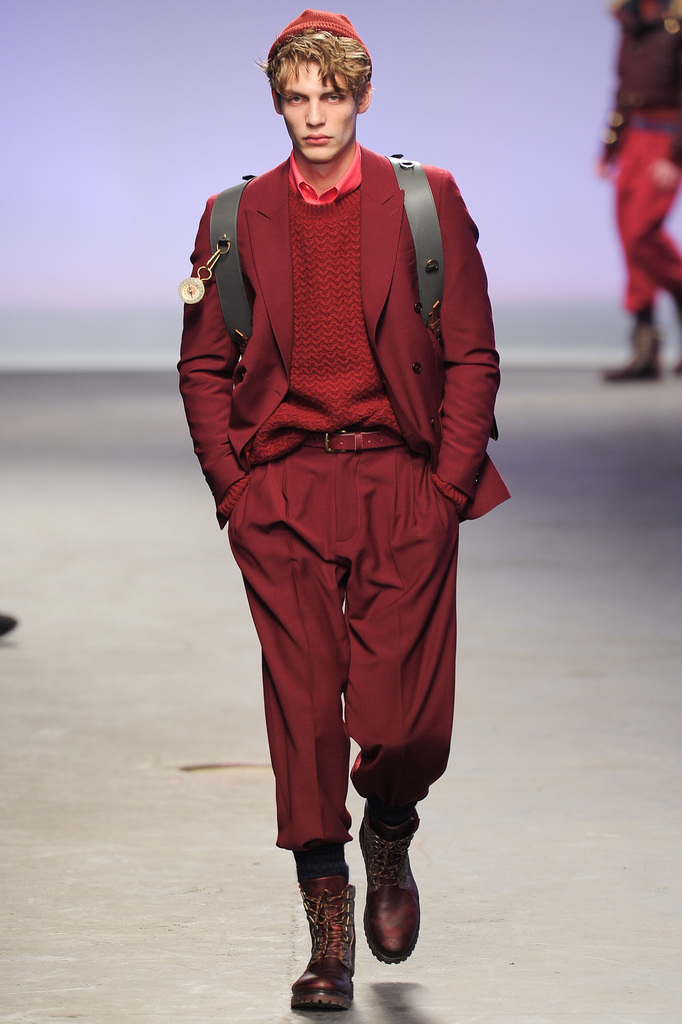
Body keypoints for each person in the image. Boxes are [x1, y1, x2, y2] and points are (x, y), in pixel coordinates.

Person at [179, 9, 509, 1011]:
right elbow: (203, 365)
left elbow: (472, 351)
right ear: (278, 103)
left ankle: (390, 825)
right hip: (282, 485)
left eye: (331, 96)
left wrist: (447, 487)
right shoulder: (234, 215)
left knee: (405, 722)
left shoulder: (425, 201)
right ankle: (329, 934)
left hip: (403, 478)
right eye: (297, 98)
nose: (315, 116)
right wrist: (235, 489)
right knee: (302, 704)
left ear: (362, 95)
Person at [599, 0, 682, 380]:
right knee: (628, 238)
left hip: (664, 139)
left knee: (641, 233)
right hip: (634, 137)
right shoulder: (630, 22)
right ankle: (646, 348)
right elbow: (623, 91)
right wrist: (610, 148)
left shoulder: (675, 26)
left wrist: (675, 155)